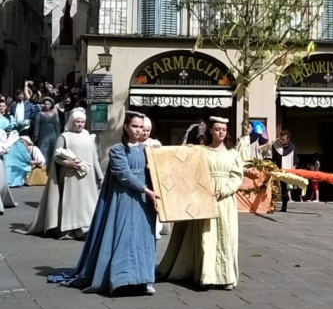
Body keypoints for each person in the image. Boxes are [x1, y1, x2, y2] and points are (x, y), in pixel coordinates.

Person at [47, 112, 160, 295]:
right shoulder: (117, 149)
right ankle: (122, 278)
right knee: (124, 236)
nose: (138, 130)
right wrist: (145, 189)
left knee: (144, 238)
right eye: (135, 126)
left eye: (141, 127)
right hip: (125, 197)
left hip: (145, 201)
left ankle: (144, 279)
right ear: (126, 127)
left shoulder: (148, 149)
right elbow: (124, 174)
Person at [157, 117, 244, 290]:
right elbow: (185, 165)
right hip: (205, 195)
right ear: (211, 130)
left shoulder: (233, 153)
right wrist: (188, 151)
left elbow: (237, 177)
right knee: (206, 234)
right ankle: (207, 274)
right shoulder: (202, 151)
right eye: (217, 129)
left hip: (225, 199)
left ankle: (225, 276)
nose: (221, 132)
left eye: (224, 130)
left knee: (227, 235)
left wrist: (224, 190)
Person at [25, 108, 104, 239]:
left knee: (88, 202)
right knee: (72, 202)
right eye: (77, 122)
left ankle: (86, 227)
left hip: (87, 178)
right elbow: (56, 156)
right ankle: (72, 228)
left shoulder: (88, 136)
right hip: (70, 176)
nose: (80, 124)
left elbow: (94, 158)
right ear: (72, 122)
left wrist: (100, 176)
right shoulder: (64, 137)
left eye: (82, 122)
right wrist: (68, 163)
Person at [271, 129, 299, 212]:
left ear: (288, 139)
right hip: (277, 169)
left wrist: (293, 167)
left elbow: (295, 160)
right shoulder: (275, 145)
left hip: (286, 170)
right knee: (273, 188)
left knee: (284, 189)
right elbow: (273, 157)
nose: (281, 140)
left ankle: (284, 206)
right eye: (280, 138)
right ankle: (271, 205)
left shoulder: (292, 147)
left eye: (283, 139)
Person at [34, 97, 61, 166]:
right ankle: (43, 166)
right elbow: (37, 125)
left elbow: (57, 126)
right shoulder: (40, 114)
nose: (46, 106)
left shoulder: (55, 114)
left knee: (52, 151)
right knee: (43, 150)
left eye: (48, 104)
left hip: (53, 135)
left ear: (51, 105)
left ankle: (51, 168)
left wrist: (58, 136)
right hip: (43, 134)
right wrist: (36, 135)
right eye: (45, 104)